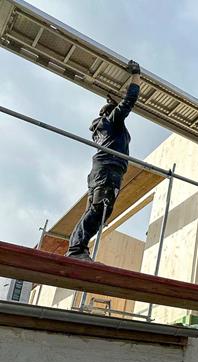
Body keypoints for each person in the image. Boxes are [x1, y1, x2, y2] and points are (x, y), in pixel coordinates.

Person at [66, 60, 141, 261]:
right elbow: (129, 100)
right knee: (101, 208)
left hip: (101, 171)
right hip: (108, 170)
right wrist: (136, 76)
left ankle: (77, 247)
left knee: (97, 209)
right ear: (111, 112)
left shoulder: (103, 127)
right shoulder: (111, 122)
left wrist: (112, 100)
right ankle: (76, 249)